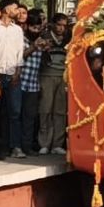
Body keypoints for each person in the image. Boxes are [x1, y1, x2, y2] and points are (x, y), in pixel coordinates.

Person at [0, 0, 25, 158]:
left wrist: (18, 71)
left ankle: (15, 146)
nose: (17, 11)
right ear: (5, 9)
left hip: (13, 74)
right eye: (14, 7)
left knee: (14, 112)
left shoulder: (17, 29)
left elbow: (20, 52)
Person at [39, 12, 71, 155]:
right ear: (52, 24)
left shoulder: (69, 38)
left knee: (60, 111)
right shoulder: (44, 36)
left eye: (64, 26)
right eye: (59, 25)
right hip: (47, 75)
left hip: (63, 76)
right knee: (45, 109)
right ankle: (44, 143)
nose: (61, 28)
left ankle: (57, 144)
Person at [19, 12, 45, 156]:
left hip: (33, 85)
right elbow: (21, 56)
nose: (36, 31)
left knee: (30, 118)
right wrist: (34, 46)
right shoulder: (21, 39)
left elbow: (41, 64)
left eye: (38, 28)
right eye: (34, 28)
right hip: (20, 83)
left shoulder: (41, 41)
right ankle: (15, 146)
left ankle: (27, 146)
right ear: (27, 26)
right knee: (16, 117)